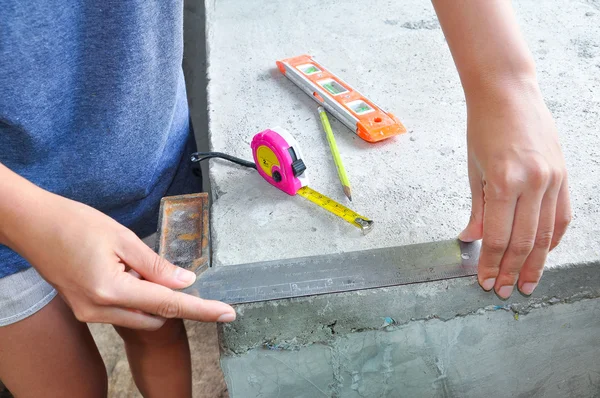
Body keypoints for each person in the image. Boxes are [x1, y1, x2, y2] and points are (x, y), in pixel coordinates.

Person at [0, 1, 571, 397]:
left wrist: (505, 81)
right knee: (64, 385)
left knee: (157, 328)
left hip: (151, 161)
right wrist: (25, 217)